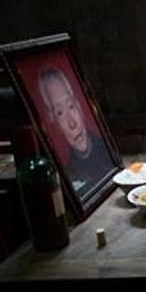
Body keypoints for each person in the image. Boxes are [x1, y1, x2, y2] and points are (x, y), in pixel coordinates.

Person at [38, 66, 114, 198]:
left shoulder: (109, 153)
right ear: (54, 122)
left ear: (79, 107)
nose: (72, 123)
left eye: (71, 106)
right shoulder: (68, 176)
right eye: (60, 113)